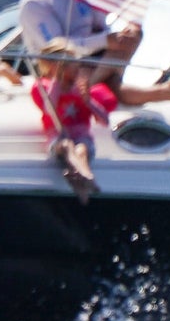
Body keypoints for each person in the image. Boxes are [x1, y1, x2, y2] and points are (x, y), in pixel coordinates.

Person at [32, 39, 112, 201]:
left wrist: (89, 102)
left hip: (82, 139)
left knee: (81, 147)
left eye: (75, 63)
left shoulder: (80, 89)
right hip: (59, 140)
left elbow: (104, 121)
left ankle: (81, 178)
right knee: (67, 145)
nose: (75, 68)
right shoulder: (44, 87)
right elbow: (49, 109)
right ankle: (85, 175)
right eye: (69, 64)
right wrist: (57, 80)